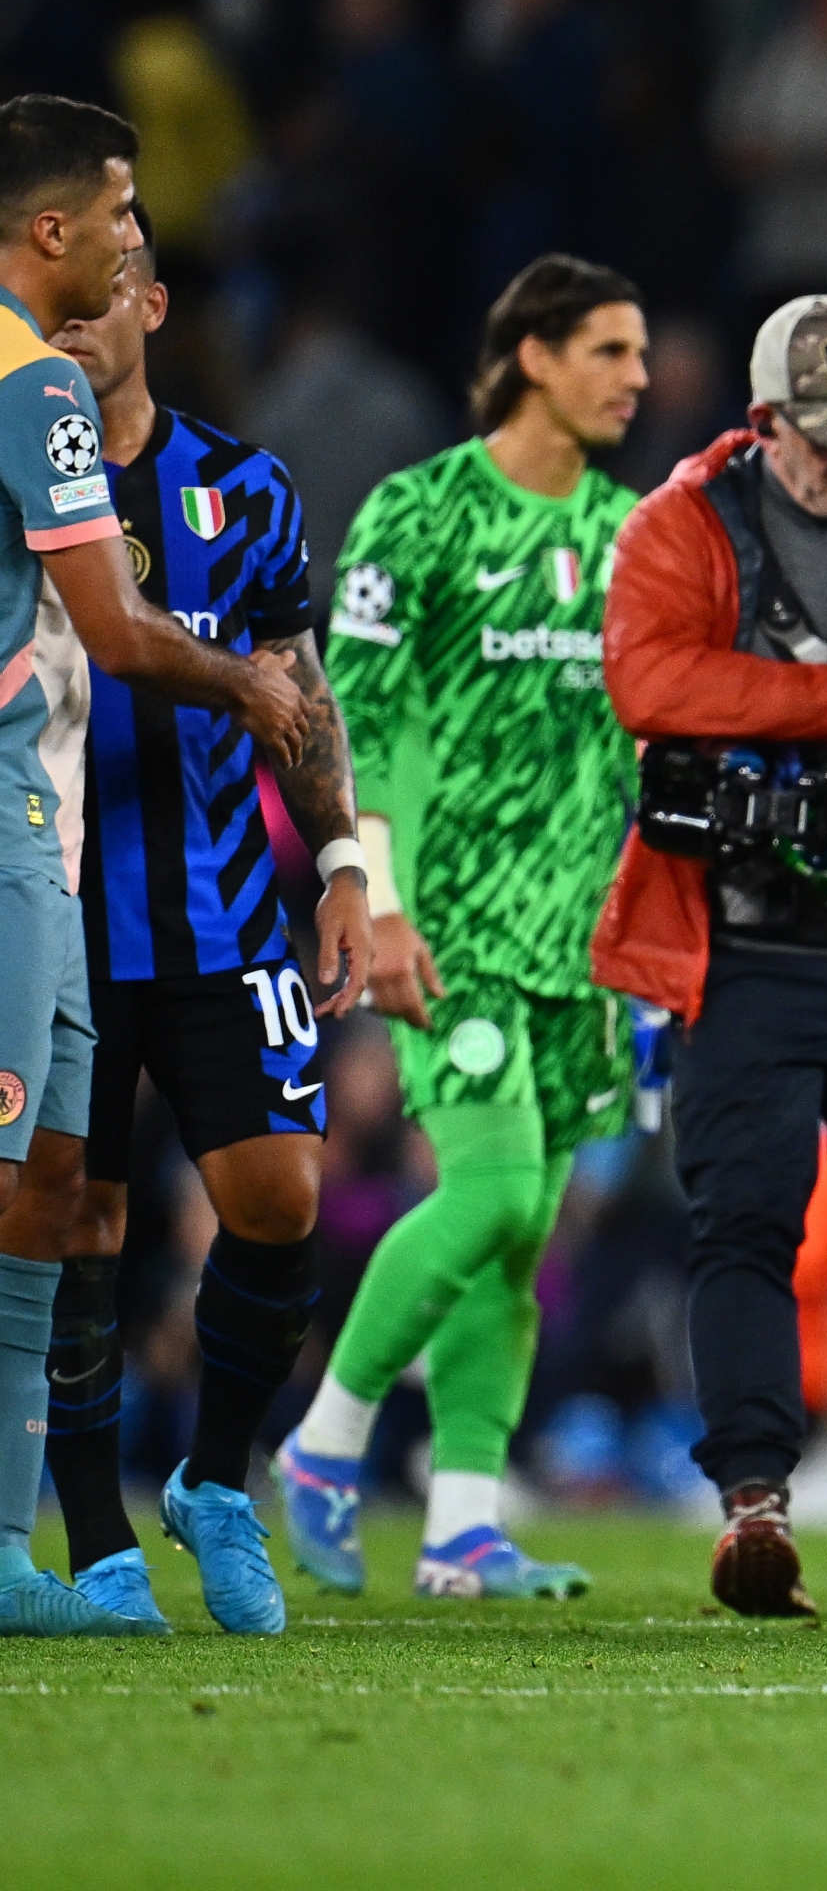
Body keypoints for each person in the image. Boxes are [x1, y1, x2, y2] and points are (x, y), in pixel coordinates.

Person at [12, 207, 372, 1638]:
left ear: (153, 305)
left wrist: (343, 857)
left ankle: (215, 1479)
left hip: (224, 912)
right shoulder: (12, 484)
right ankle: (97, 1545)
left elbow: (298, 678)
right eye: (65, 291)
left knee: (281, 1198)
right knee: (71, 1217)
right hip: (59, 906)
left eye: (111, 288)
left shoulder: (243, 483)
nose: (83, 312)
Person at [274, 254, 649, 1601]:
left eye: (642, 353)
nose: (638, 376)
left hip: (580, 946)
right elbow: (362, 722)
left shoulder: (626, 531)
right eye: (610, 350)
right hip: (449, 930)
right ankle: (324, 1445)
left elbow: (635, 733)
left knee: (522, 1231)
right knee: (486, 1196)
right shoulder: (418, 514)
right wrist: (374, 897)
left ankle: (464, 1526)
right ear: (534, 356)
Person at [592, 295, 827, 1618]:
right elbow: (649, 686)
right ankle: (754, 1502)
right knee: (742, 1223)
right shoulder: (682, 528)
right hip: (746, 946)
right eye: (822, 438)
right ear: (761, 425)